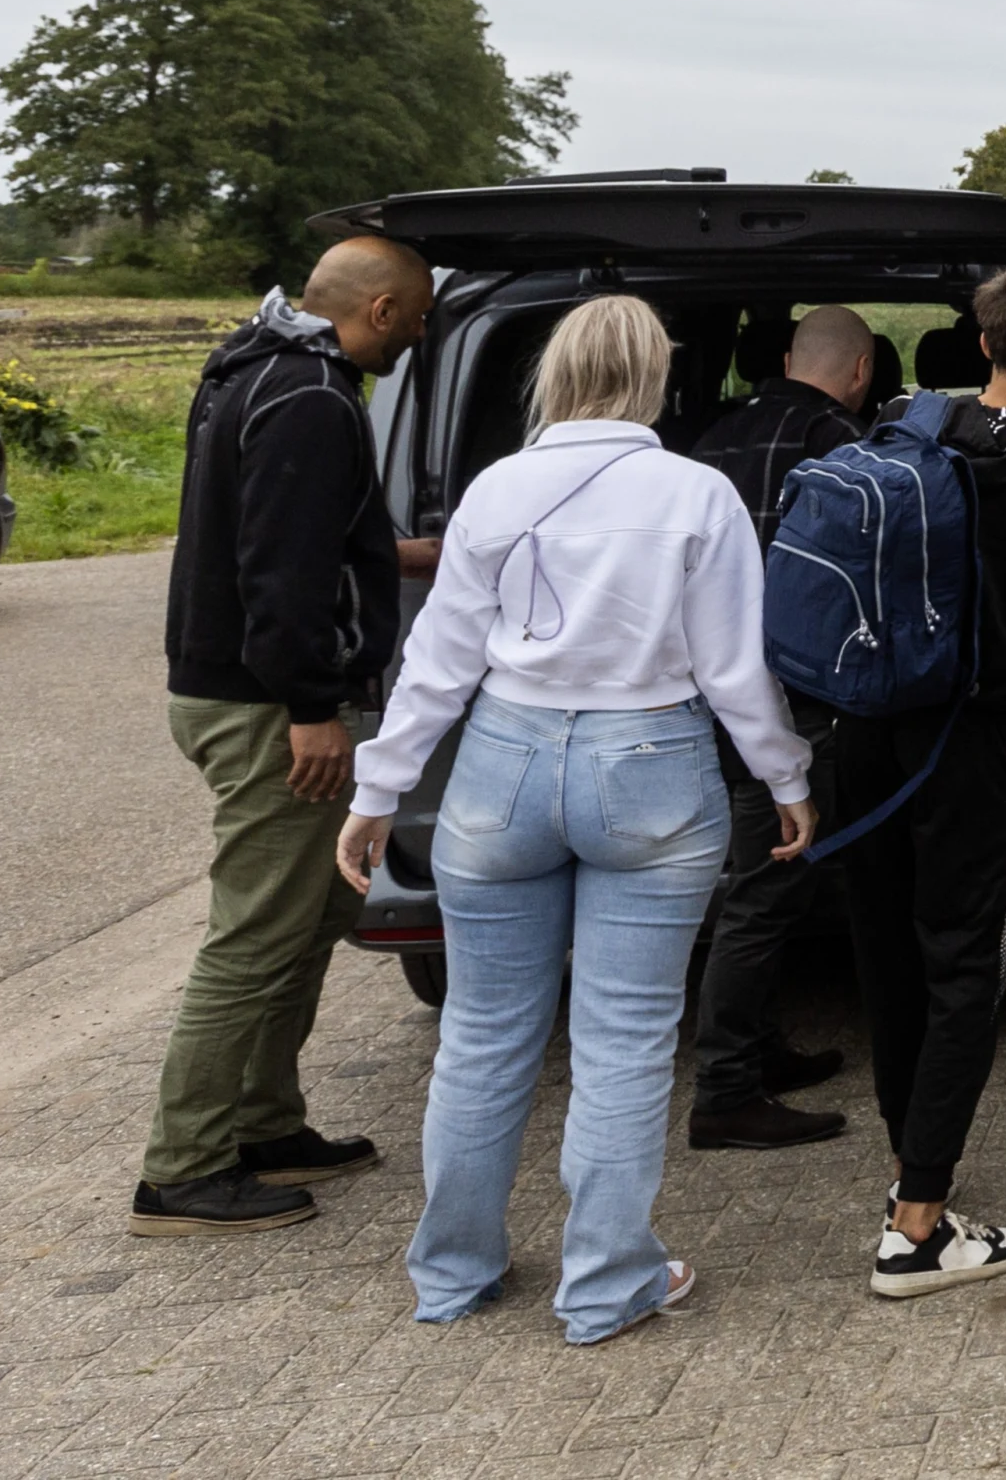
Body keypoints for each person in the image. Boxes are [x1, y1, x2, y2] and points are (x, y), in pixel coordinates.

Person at [334, 294, 820, 1342]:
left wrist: (379, 790)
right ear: (653, 373)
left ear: (554, 371)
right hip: (650, 762)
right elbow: (736, 667)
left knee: (480, 1033)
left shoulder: (495, 489)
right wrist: (786, 775)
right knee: (626, 1040)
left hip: (502, 764)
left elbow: (440, 659)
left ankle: (452, 1273)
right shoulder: (700, 493)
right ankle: (607, 1283)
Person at [135, 234, 438, 1238]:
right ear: (382, 310)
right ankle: (180, 1169)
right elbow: (278, 571)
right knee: (256, 934)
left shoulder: (250, 367)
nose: (424, 332)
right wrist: (311, 704)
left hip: (233, 688)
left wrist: (389, 551)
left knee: (307, 920)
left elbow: (268, 531)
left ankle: (264, 1122)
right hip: (268, 707)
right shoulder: (311, 398)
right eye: (423, 313)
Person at [824, 264, 1006, 1297]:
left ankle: (909, 1167)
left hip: (863, 731)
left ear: (982, 344)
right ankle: (920, 1227)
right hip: (966, 740)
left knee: (888, 956)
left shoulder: (905, 426)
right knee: (965, 965)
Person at [678, 303, 876, 1151]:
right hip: (788, 694)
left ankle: (760, 1046)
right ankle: (725, 1087)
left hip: (703, 691)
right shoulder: (844, 445)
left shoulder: (710, 438)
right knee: (763, 892)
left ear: (790, 355)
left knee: (758, 875)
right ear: (863, 371)